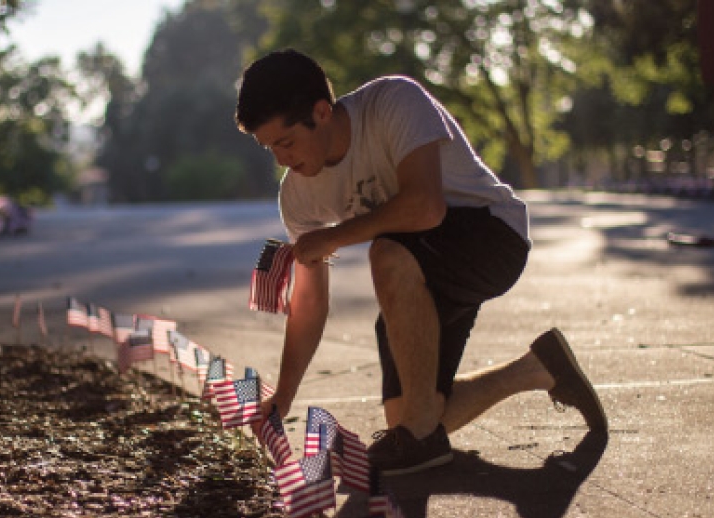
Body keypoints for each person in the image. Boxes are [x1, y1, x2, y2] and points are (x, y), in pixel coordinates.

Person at [235, 49, 607, 477]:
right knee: (411, 421)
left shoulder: (394, 102)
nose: (282, 159)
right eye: (270, 149)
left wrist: (333, 236)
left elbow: (426, 207)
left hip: (491, 238)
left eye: (286, 142)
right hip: (419, 274)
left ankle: (421, 440)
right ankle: (539, 368)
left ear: (321, 112)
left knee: (388, 252)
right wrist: (283, 396)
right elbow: (309, 304)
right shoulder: (297, 196)